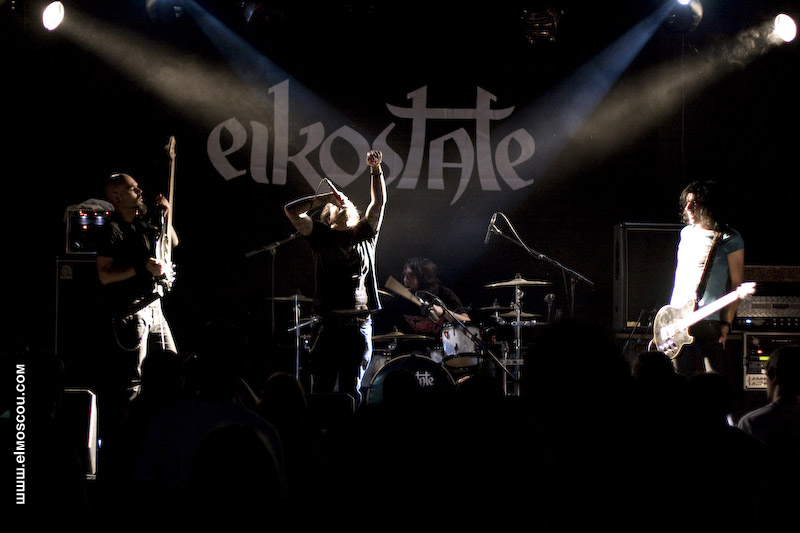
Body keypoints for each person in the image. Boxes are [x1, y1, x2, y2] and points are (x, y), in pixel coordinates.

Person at [283, 150, 386, 403]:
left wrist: (375, 169)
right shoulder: (321, 236)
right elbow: (291, 210)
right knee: (322, 389)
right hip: (329, 325)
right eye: (338, 206)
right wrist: (324, 199)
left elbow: (379, 202)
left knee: (351, 389)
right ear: (328, 218)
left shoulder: (365, 233)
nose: (344, 204)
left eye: (347, 203)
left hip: (358, 324)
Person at [95, 172, 179, 474]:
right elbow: (105, 275)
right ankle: (126, 454)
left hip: (155, 307)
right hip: (132, 313)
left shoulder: (144, 222)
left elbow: (173, 241)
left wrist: (167, 215)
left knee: (171, 369)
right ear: (117, 197)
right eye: (133, 189)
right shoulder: (112, 230)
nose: (139, 191)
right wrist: (142, 269)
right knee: (133, 383)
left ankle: (163, 445)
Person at [666, 180, 745, 378]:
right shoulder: (686, 233)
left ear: (710, 206)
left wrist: (726, 324)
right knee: (679, 379)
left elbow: (736, 285)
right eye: (686, 203)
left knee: (715, 381)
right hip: (677, 319)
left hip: (709, 320)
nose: (688, 208)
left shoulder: (729, 238)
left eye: (695, 203)